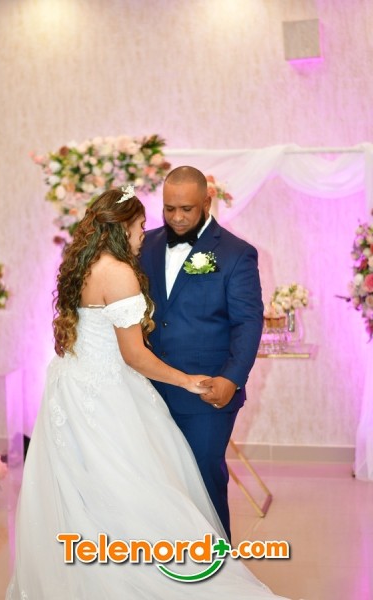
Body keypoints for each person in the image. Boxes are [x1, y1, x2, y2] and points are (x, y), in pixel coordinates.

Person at [6, 187, 288, 599]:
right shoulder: (119, 272)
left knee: (79, 488)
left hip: (69, 389)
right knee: (136, 487)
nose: (145, 232)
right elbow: (134, 355)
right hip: (108, 392)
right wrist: (187, 380)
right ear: (122, 227)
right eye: (140, 225)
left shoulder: (79, 264)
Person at [140, 166, 264, 540]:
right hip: (147, 388)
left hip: (207, 391)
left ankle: (216, 565)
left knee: (204, 477)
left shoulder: (237, 253)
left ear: (207, 203)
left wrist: (231, 378)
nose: (177, 218)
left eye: (187, 209)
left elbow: (247, 322)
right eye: (169, 209)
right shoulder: (143, 245)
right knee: (155, 483)